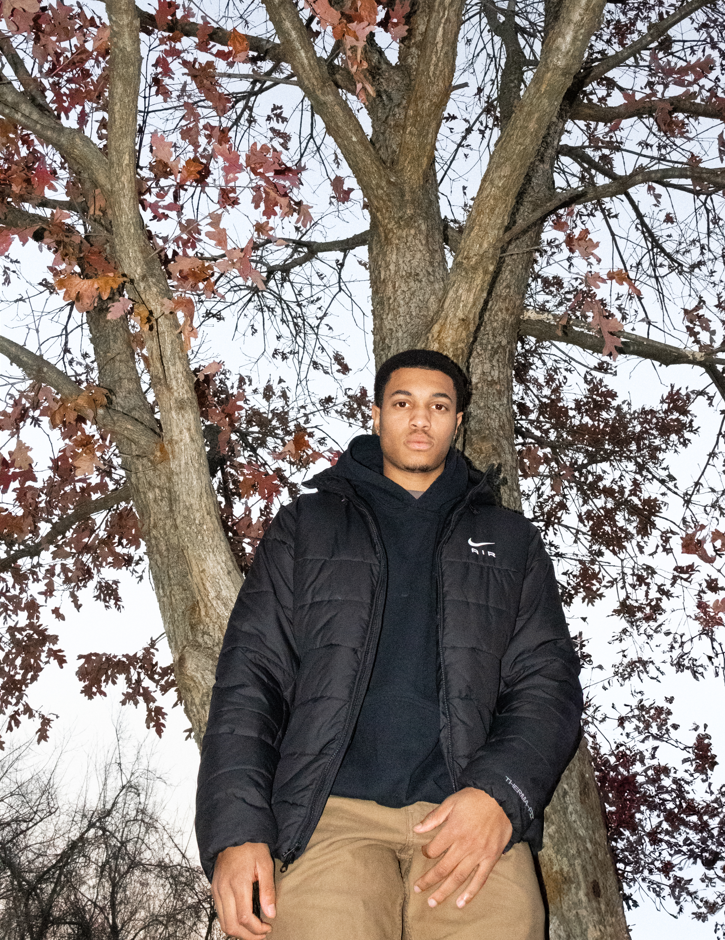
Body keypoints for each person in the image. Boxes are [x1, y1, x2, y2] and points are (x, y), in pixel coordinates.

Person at [196, 349, 582, 940]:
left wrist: (499, 796)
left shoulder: (511, 541)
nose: (420, 419)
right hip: (328, 819)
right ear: (377, 416)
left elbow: (547, 687)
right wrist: (236, 830)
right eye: (403, 403)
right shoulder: (306, 526)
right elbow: (251, 679)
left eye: (438, 406)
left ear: (457, 421)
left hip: (469, 819)